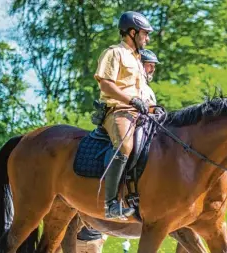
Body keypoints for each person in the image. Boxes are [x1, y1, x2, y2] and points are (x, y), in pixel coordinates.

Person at [94, 11, 154, 219]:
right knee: (125, 146)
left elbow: (141, 91)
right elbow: (105, 84)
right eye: (145, 34)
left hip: (140, 112)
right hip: (118, 111)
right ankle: (111, 204)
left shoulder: (137, 59)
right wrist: (130, 101)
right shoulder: (114, 53)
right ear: (132, 32)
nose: (147, 38)